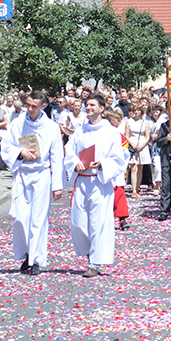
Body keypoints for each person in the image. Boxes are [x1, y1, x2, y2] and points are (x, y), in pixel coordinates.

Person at [1, 90, 64, 276]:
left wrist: (57, 185)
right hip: (23, 173)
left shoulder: (51, 127)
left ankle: (35, 259)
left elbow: (57, 156)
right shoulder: (17, 123)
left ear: (43, 106)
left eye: (33, 106)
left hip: (41, 174)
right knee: (21, 218)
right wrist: (20, 153)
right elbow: (6, 146)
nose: (29, 109)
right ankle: (27, 253)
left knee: (38, 219)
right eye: (27, 105)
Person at [64, 94, 128, 277]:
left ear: (102, 108)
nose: (89, 107)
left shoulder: (111, 132)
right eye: (87, 105)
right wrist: (76, 163)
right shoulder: (80, 131)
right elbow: (69, 151)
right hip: (82, 179)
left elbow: (119, 158)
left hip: (100, 181)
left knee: (98, 222)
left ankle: (95, 262)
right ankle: (89, 252)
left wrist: (102, 164)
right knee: (78, 222)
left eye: (92, 105)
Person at [104, 108, 131, 230]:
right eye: (118, 120)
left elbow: (125, 152)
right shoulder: (101, 133)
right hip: (103, 168)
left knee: (119, 193)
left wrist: (121, 166)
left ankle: (122, 218)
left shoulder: (118, 135)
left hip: (116, 169)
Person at [125, 104, 152, 197]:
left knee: (140, 167)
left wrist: (142, 145)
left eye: (138, 110)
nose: (136, 112)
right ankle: (133, 190)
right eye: (135, 110)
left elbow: (147, 136)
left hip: (142, 144)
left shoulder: (145, 123)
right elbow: (127, 135)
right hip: (132, 143)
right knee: (133, 167)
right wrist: (132, 145)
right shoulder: (129, 121)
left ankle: (137, 187)